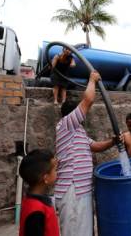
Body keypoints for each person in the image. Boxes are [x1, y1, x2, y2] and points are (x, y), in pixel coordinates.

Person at [54, 71, 121, 236]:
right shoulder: (66, 125)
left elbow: (95, 146)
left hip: (82, 190)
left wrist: (112, 142)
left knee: (85, 231)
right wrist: (92, 80)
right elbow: (88, 100)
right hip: (72, 190)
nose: (83, 115)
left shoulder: (79, 131)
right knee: (75, 231)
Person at [19, 149, 59, 236]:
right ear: (46, 178)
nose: (57, 173)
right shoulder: (36, 212)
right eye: (55, 170)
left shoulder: (33, 202)